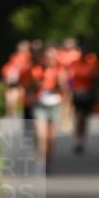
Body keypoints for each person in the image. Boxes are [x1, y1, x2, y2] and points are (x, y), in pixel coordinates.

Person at [25, 44, 66, 172]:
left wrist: (62, 84)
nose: (49, 58)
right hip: (40, 105)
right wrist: (33, 92)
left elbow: (68, 88)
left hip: (55, 105)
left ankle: (48, 163)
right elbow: (28, 88)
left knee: (51, 139)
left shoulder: (61, 70)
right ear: (43, 57)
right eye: (47, 56)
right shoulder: (36, 70)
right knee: (41, 136)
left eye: (52, 56)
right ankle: (40, 163)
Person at [68, 44, 99, 153]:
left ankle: (82, 138)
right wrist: (73, 88)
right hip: (77, 94)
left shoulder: (92, 62)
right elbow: (69, 79)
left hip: (88, 93)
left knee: (84, 118)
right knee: (79, 116)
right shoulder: (74, 63)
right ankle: (78, 140)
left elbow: (97, 76)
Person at [1, 40, 30, 117]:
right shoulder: (14, 56)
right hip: (12, 78)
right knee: (9, 97)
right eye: (20, 46)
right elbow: (9, 66)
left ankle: (14, 111)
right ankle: (9, 112)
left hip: (22, 80)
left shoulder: (29, 56)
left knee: (16, 96)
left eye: (23, 47)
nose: (20, 48)